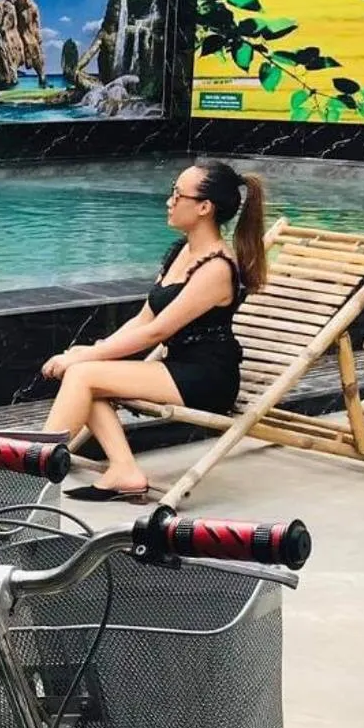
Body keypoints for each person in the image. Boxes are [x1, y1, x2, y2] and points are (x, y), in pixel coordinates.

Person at [40, 159, 267, 501]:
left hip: (207, 377)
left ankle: (31, 468)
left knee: (83, 374)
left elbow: (155, 332)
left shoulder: (216, 267)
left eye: (177, 195)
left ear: (204, 207)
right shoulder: (182, 251)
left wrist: (87, 356)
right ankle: (124, 471)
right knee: (86, 373)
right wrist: (89, 351)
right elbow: (143, 319)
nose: (168, 201)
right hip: (175, 367)